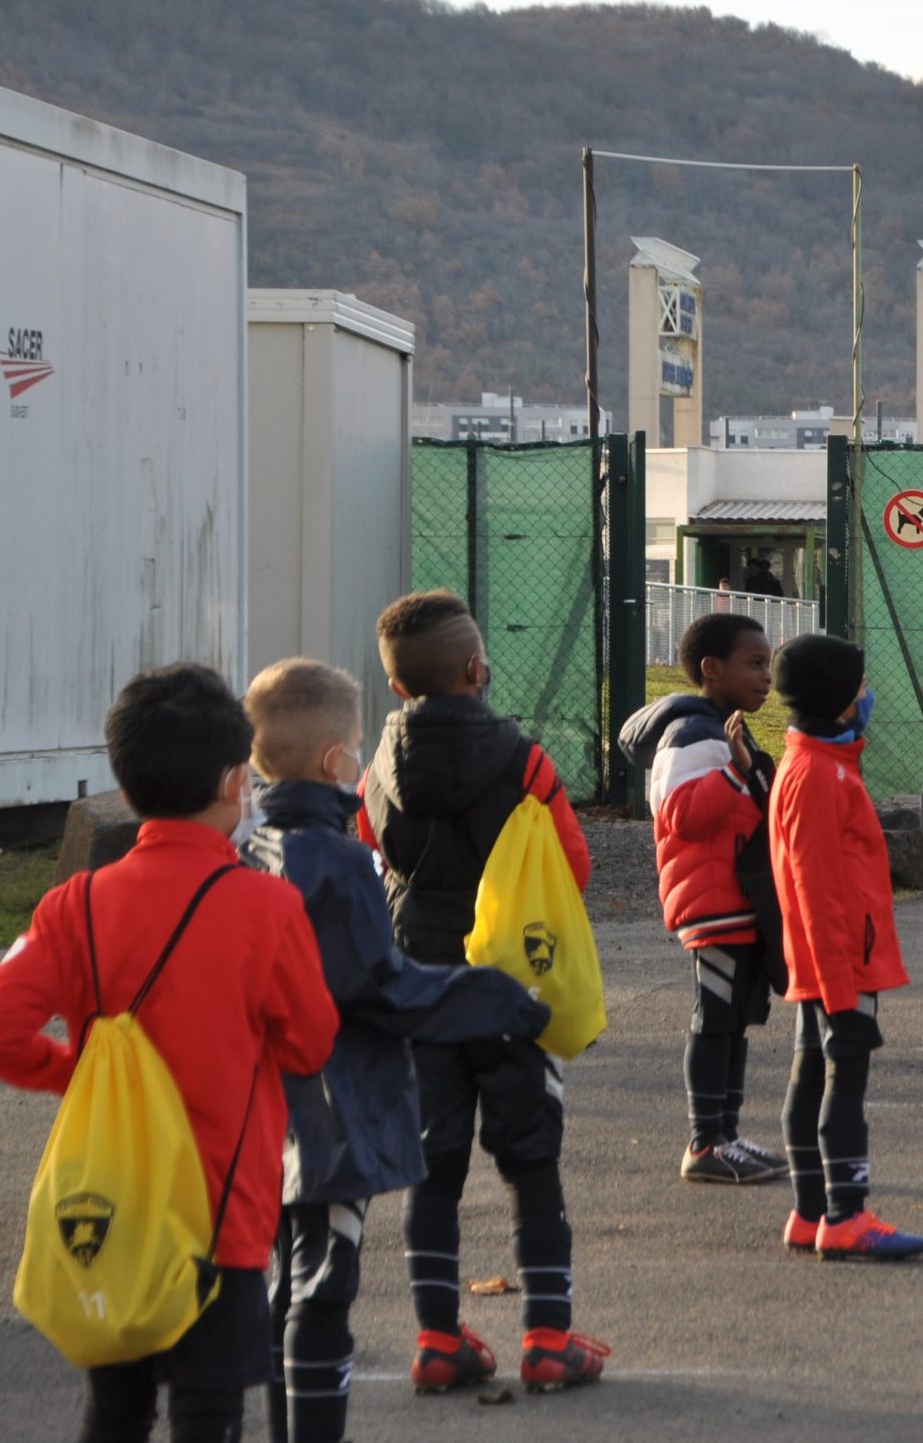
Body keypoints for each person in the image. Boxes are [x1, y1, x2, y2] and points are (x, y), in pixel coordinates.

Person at [0, 664, 338, 1443]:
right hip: (222, 1211)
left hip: (111, 1206)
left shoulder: (70, 904)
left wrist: (73, 1074)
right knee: (207, 1414)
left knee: (115, 1409)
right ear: (232, 781)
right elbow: (310, 1042)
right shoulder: (266, 906)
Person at [242, 659, 547, 1443]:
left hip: (271, 1100)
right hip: (336, 1104)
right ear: (335, 761)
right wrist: (499, 1000)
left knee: (285, 1279)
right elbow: (383, 986)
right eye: (351, 744)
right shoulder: (334, 860)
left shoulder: (259, 848)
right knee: (323, 1285)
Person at [356, 591, 609, 1395]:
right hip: (509, 992)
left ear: (397, 688)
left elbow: (375, 854)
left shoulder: (376, 768)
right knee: (532, 1164)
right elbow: (573, 864)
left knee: (433, 1167)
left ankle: (436, 1337)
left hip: (416, 985)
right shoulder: (522, 760)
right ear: (478, 668)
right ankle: (547, 1336)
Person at [765, 634, 923, 1259]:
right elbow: (817, 891)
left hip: (832, 959)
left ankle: (812, 1213)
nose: (867, 696)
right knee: (842, 1082)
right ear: (837, 700)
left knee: (814, 1075)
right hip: (839, 963)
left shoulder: (821, 762)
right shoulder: (817, 774)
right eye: (859, 687)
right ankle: (845, 1214)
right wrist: (838, 991)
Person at [616, 613, 788, 1187]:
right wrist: (738, 774)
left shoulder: (725, 728)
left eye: (769, 663)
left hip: (740, 903)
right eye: (755, 664)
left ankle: (727, 1135)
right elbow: (681, 816)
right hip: (712, 906)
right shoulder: (691, 732)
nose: (767, 676)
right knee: (713, 1021)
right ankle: (703, 1141)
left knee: (735, 1021)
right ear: (712, 670)